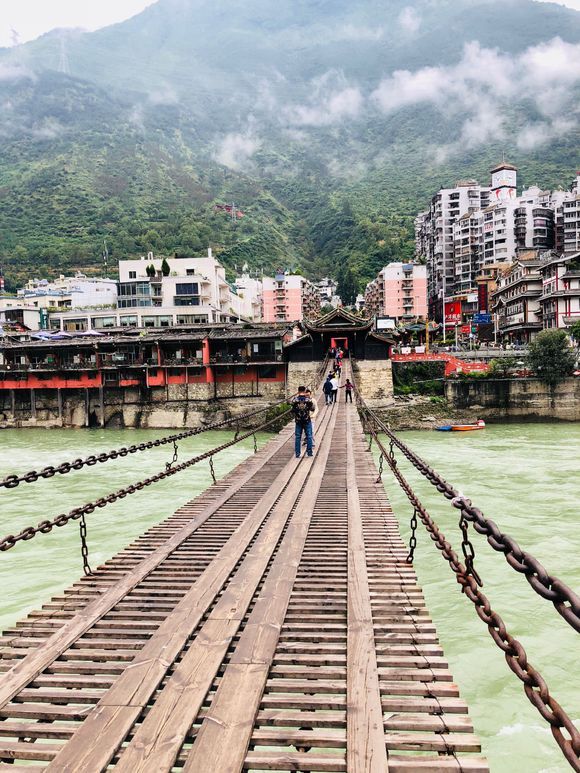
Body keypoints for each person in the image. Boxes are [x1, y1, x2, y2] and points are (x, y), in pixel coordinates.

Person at [291, 386, 314, 458]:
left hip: (298, 420)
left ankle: (297, 454)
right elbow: (312, 408)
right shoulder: (308, 400)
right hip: (307, 420)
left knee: (298, 437)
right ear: (304, 391)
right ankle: (309, 452)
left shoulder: (294, 399)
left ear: (298, 391)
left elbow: (292, 409)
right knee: (309, 436)